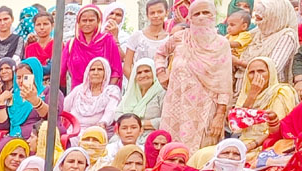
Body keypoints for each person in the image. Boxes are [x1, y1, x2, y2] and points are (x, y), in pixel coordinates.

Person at [155, 0, 233, 152]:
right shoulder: (180, 38)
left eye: (206, 13)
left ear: (214, 16)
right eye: (196, 14)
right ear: (189, 18)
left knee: (200, 154)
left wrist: (219, 115)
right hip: (175, 106)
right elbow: (160, 53)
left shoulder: (221, 44)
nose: (201, 17)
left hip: (205, 108)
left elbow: (224, 83)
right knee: (172, 152)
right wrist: (161, 73)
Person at [231, 57, 299, 152]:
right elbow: (236, 126)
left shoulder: (281, 92)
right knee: (204, 154)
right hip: (242, 142)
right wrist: (252, 95)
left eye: (261, 71)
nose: (256, 76)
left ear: (270, 73)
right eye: (251, 72)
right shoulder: (246, 92)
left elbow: (277, 129)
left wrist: (251, 146)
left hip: (268, 145)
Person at [63, 5, 123, 88]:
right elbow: (60, 72)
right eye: (84, 20)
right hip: (78, 95)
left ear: (98, 21)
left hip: (103, 94)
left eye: (91, 20)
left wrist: (106, 91)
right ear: (78, 22)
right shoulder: (71, 44)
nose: (87, 24)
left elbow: (116, 71)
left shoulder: (107, 40)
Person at [121, 0, 170, 77]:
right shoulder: (137, 37)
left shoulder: (169, 40)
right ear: (147, 15)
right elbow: (126, 67)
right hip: (139, 83)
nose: (156, 15)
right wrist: (136, 84)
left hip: (161, 86)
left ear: (167, 12)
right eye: (152, 13)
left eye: (160, 12)